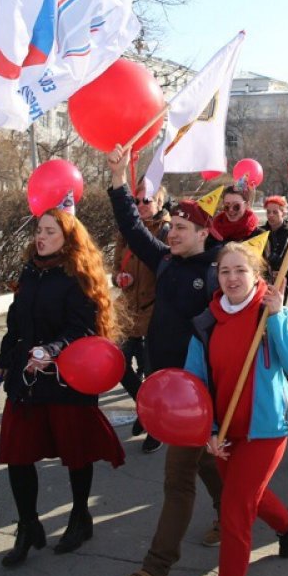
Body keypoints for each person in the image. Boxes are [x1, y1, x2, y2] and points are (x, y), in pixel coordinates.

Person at [107, 147, 225, 576]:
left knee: (177, 478)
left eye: (181, 229)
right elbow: (133, 229)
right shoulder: (164, 261)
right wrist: (118, 181)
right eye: (171, 227)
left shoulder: (216, 273)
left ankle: (154, 571)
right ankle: (269, 516)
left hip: (199, 392)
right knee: (208, 463)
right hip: (166, 386)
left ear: (201, 233)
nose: (172, 234)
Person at [0, 208, 125, 567]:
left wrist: (52, 352)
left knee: (75, 452)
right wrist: (6, 359)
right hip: (28, 376)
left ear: (68, 238)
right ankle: (27, 525)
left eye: (51, 231)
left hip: (69, 377)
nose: (42, 237)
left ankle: (80, 516)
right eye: (39, 230)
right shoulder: (29, 270)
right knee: (17, 453)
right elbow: (17, 323)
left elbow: (83, 327)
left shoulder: (77, 275)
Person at [184, 244, 288, 576]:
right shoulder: (205, 322)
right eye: (225, 272)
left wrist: (279, 314)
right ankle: (287, 524)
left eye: (241, 270)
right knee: (247, 495)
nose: (232, 278)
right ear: (217, 276)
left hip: (266, 429)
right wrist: (207, 430)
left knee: (235, 507)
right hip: (224, 431)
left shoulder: (269, 310)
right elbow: (195, 383)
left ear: (257, 274)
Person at [113, 180, 170, 442]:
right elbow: (115, 268)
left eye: (147, 201)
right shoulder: (125, 233)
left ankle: (155, 428)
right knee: (118, 366)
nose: (141, 206)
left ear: (160, 203)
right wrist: (119, 278)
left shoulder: (166, 232)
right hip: (127, 312)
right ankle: (146, 409)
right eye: (137, 201)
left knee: (152, 372)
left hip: (153, 312)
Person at [262, 195, 288, 279]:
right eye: (268, 212)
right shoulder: (260, 232)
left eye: (275, 212)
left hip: (282, 280)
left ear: (283, 213)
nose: (270, 215)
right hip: (262, 279)